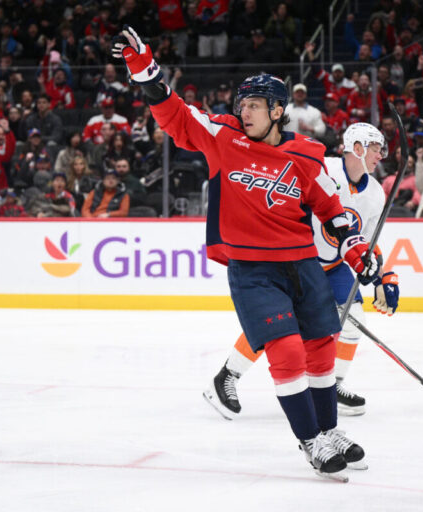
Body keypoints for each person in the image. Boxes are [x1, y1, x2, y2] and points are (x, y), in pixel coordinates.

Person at [113, 27, 379, 479]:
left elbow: (331, 211)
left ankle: (329, 429)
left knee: (320, 347)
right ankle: (310, 440)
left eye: (255, 104)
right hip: (254, 270)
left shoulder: (307, 154)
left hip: (303, 263)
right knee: (287, 351)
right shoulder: (223, 137)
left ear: (277, 110)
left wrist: (357, 252)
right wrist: (144, 69)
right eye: (242, 104)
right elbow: (176, 115)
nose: (244, 111)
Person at [204, 123, 400, 419]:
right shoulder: (324, 167)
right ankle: (226, 377)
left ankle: (333, 385)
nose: (380, 156)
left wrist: (382, 276)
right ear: (357, 148)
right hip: (297, 258)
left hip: (333, 266)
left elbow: (367, 242)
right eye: (375, 148)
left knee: (353, 320)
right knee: (277, 322)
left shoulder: (375, 194)